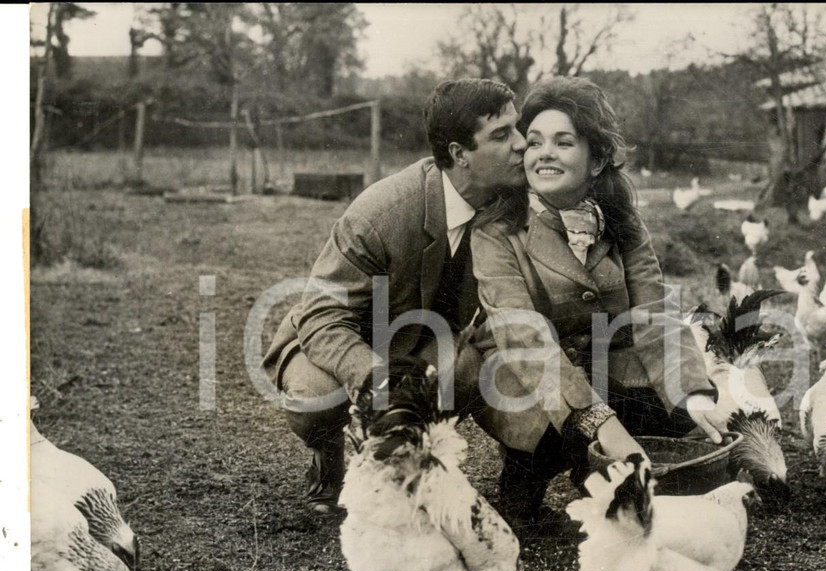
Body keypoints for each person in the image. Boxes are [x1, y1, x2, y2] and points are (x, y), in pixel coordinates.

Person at [470, 76, 726, 532]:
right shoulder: (497, 229)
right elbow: (524, 337)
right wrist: (602, 423)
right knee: (547, 414)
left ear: (598, 159)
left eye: (563, 142)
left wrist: (694, 393)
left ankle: (602, 473)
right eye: (534, 142)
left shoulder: (621, 222)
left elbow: (655, 313)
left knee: (679, 412)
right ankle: (522, 491)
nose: (544, 154)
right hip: (525, 367)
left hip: (604, 365)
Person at [262, 79, 527, 515]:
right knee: (316, 398)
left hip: (421, 342)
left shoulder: (511, 201)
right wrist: (372, 378)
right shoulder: (382, 212)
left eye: (517, 128)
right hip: (342, 342)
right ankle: (329, 457)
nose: (521, 144)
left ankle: (416, 460)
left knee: (467, 368)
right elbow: (323, 314)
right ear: (460, 154)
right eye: (501, 135)